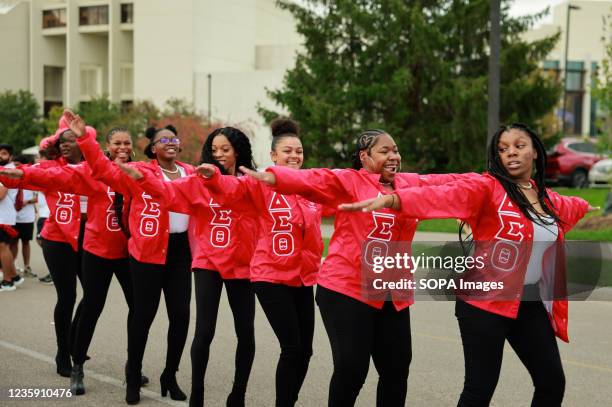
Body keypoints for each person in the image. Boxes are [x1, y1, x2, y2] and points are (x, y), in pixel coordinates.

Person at [339, 123, 595, 407]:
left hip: (527, 302)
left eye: (519, 146)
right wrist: (395, 199)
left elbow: (570, 207)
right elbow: (440, 196)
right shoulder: (487, 188)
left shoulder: (547, 199)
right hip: (483, 303)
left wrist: (586, 206)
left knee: (552, 383)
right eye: (502, 149)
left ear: (535, 151)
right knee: (479, 390)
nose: (510, 153)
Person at [238, 129, 473, 407]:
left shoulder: (408, 183)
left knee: (396, 370)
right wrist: (276, 176)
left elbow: (447, 183)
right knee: (352, 369)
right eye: (384, 151)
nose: (393, 156)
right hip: (346, 289)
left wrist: (493, 181)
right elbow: (314, 179)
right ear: (364, 157)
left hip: (390, 293)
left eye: (395, 150)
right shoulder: (349, 181)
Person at [192, 119, 330, 406]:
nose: (295, 156)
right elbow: (234, 189)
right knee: (291, 348)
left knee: (305, 351)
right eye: (288, 151)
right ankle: (201, 393)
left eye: (299, 151)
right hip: (270, 276)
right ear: (274, 156)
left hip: (304, 278)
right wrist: (213, 178)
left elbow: (341, 194)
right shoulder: (259, 183)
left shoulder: (310, 186)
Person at [4, 127, 151, 395]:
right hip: (96, 250)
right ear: (106, 146)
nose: (122, 147)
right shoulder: (90, 170)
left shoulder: (140, 170)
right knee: (91, 307)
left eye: (127, 143)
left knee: (139, 309)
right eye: (116, 143)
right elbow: (50, 175)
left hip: (130, 251)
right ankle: (77, 365)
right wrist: (18, 174)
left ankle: (134, 367)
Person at [124, 126, 259, 407]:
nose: (219, 154)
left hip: (242, 264)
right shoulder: (198, 178)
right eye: (215, 149)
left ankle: (237, 394)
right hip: (204, 259)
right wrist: (139, 178)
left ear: (238, 151)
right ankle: (193, 393)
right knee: (201, 329)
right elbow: (165, 192)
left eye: (226, 149)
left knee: (245, 331)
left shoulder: (251, 181)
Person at [65, 111, 193, 405]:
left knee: (175, 315)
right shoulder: (136, 172)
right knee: (105, 308)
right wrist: (85, 137)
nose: (123, 148)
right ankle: (87, 366)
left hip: (159, 251)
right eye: (163, 140)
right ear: (152, 148)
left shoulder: (191, 172)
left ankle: (167, 375)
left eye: (174, 138)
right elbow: (98, 168)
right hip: (114, 249)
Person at [10, 154, 37, 278]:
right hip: (13, 216)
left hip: (27, 216)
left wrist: (27, 202)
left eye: (17, 165)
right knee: (13, 242)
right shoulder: (10, 178)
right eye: (13, 165)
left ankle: (26, 266)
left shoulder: (32, 178)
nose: (14, 167)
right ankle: (12, 266)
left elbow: (38, 197)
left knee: (26, 242)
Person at [0, 143, 20, 292]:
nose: (0, 156)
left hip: (4, 217)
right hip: (5, 216)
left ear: (10, 156)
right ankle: (14, 276)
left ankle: (8, 281)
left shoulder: (8, 171)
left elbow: (1, 195)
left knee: (3, 248)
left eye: (4, 153)